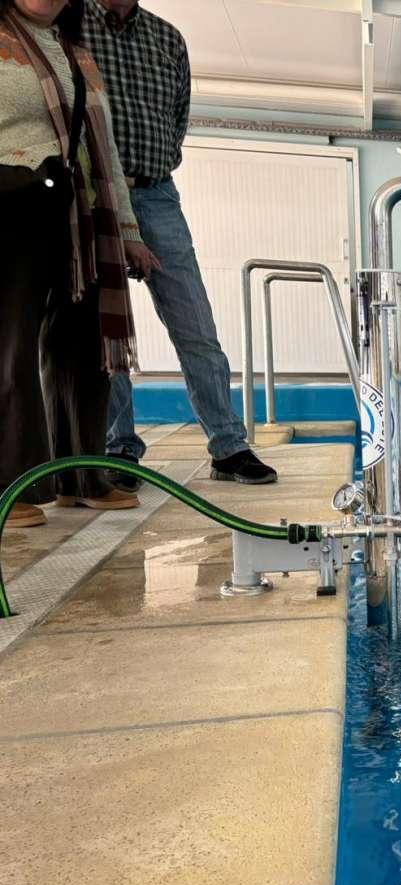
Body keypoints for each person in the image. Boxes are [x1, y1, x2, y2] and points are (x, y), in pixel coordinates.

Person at [82, 0, 276, 488]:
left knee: (196, 325)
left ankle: (229, 446)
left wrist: (152, 168)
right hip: (92, 194)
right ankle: (119, 450)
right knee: (107, 332)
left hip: (157, 194)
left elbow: (178, 117)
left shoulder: (167, 39)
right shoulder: (71, 22)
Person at [0, 0, 158, 525]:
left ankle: (82, 477)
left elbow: (104, 150)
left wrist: (129, 231)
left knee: (83, 349)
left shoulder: (77, 54)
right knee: (10, 348)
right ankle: (10, 486)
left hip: (78, 212)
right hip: (10, 204)